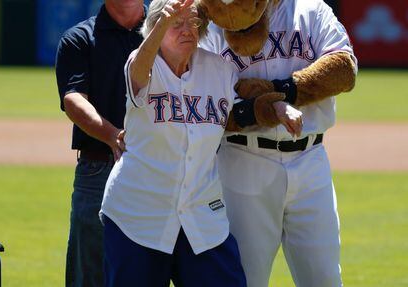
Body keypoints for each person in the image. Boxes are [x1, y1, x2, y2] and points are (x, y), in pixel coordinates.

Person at [100, 0, 301, 286]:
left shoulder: (218, 69)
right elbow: (138, 73)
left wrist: (278, 108)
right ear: (157, 27)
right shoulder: (142, 63)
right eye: (176, 24)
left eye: (193, 23)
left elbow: (242, 108)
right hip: (138, 216)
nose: (187, 30)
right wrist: (161, 25)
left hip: (201, 217)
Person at [200, 0, 358, 286]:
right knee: (245, 278)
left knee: (325, 279)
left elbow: (344, 70)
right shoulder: (218, 16)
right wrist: (262, 108)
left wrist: (279, 92)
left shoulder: (311, 10)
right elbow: (208, 104)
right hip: (243, 160)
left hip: (310, 159)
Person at [55, 1, 145, 286]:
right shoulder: (79, 38)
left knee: (152, 270)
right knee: (90, 274)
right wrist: (112, 135)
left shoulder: (165, 31)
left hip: (162, 170)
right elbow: (73, 99)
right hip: (99, 167)